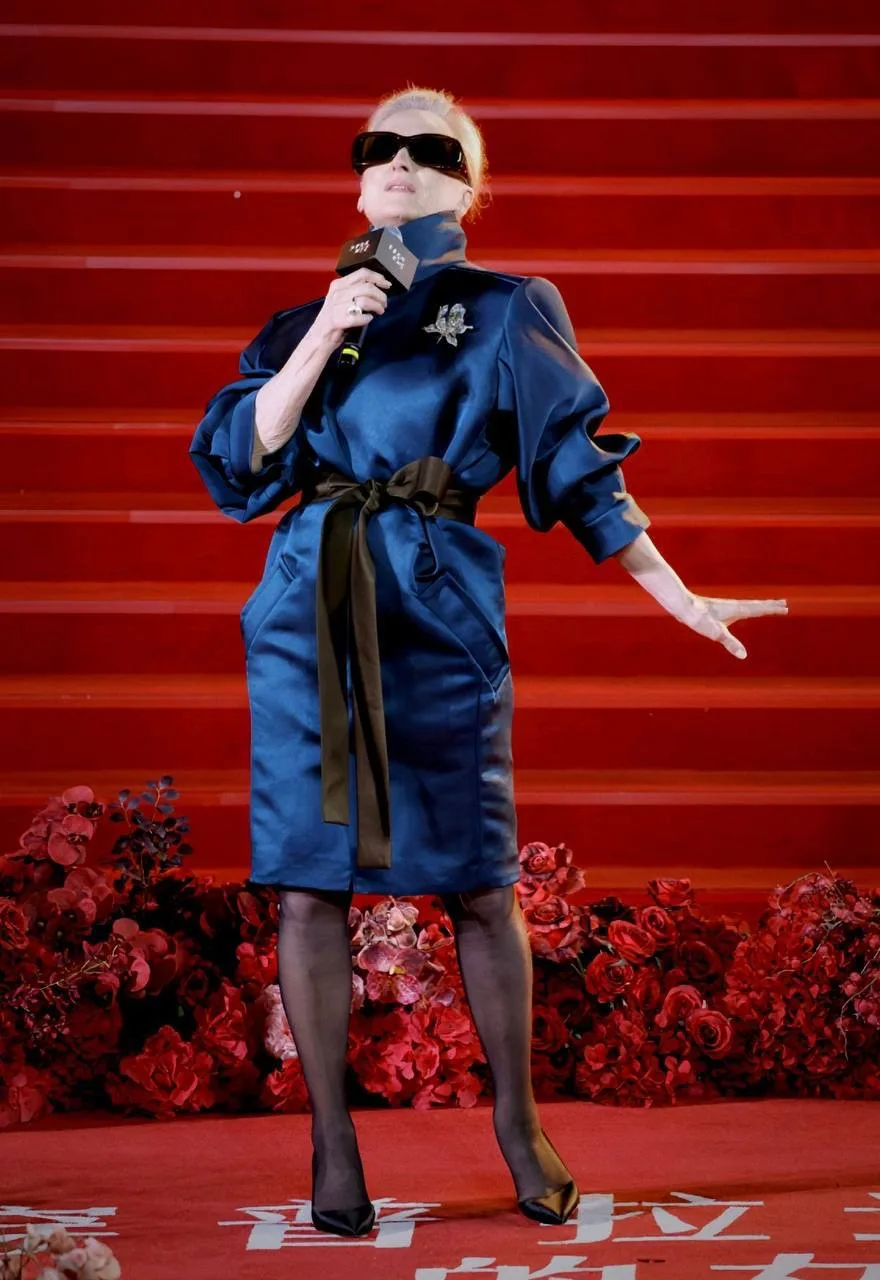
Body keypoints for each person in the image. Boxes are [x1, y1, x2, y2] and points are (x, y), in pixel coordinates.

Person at [190, 85, 787, 1238]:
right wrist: (322, 329)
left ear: (467, 187)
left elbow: (577, 463)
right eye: (379, 144)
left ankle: (519, 1123)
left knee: (477, 876)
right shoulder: (296, 321)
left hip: (435, 598)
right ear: (359, 175)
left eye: (433, 147)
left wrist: (677, 591)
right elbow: (241, 463)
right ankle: (332, 1139)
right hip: (307, 606)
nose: (400, 160)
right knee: (308, 881)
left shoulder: (508, 309)